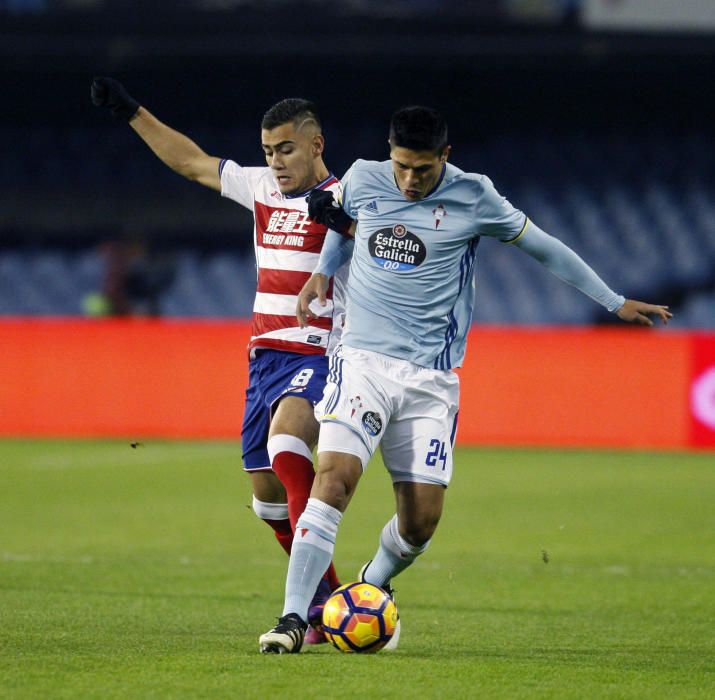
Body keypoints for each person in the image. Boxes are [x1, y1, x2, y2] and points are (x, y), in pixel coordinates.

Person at [258, 105, 672, 653]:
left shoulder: (475, 196)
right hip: (360, 361)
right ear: (390, 152)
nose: (409, 181)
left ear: (445, 159)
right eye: (402, 166)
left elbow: (545, 247)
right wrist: (320, 274)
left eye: (422, 171)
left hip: (430, 380)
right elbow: (341, 220)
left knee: (420, 525)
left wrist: (614, 302)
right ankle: (292, 618)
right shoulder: (363, 176)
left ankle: (371, 586)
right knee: (332, 482)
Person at [91, 78, 348, 643]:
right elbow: (192, 162)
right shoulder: (260, 189)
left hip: (319, 348)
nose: (276, 162)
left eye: (286, 149)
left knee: (287, 442)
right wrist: (133, 112)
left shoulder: (347, 196)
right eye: (268, 152)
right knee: (266, 496)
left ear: (316, 145)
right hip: (263, 359)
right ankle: (328, 602)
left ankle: (303, 610)